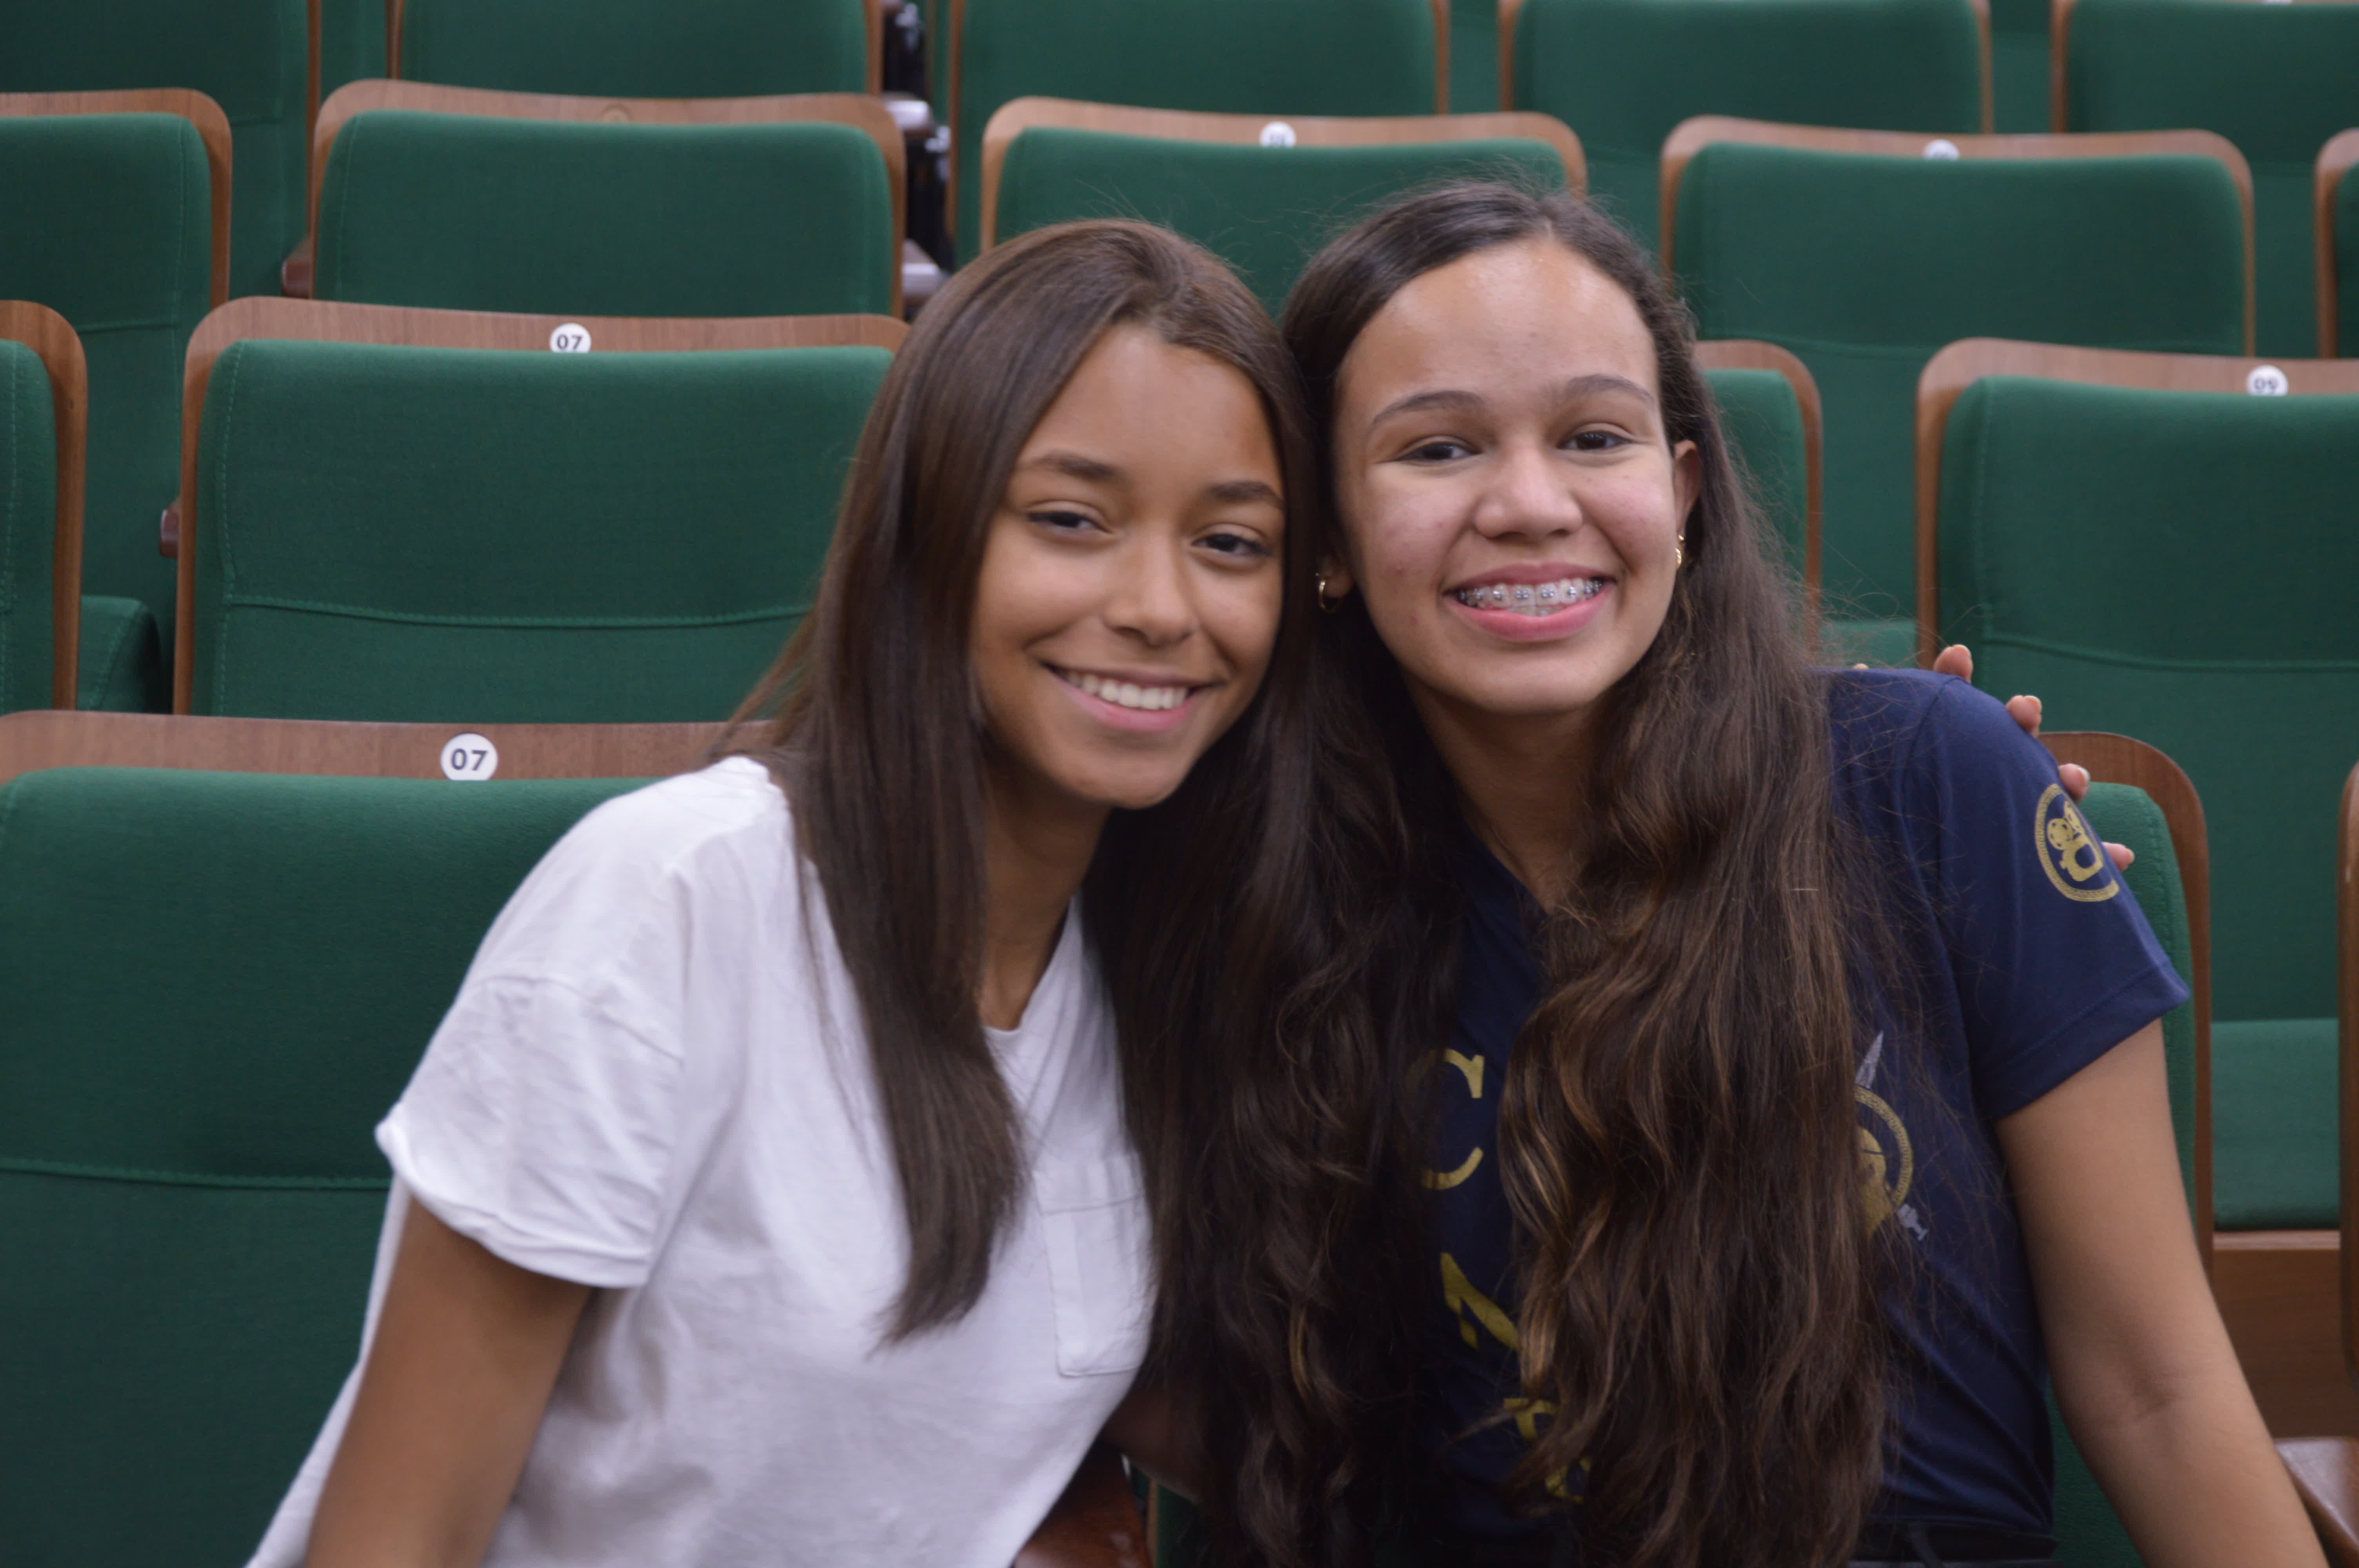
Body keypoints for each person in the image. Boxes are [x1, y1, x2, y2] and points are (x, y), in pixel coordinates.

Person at [1153, 184, 2322, 1568]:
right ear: (1331, 540)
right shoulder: (1250, 889)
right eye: (1438, 448)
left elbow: (2161, 1391)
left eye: (1595, 437)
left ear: (1685, 494)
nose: (1530, 505)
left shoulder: (1936, 781)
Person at [242, 218, 1320, 1568]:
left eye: (1231, 543)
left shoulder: (1163, 954)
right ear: (925, 537)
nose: (1162, 606)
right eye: (1069, 520)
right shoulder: (667, 904)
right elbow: (395, 1540)